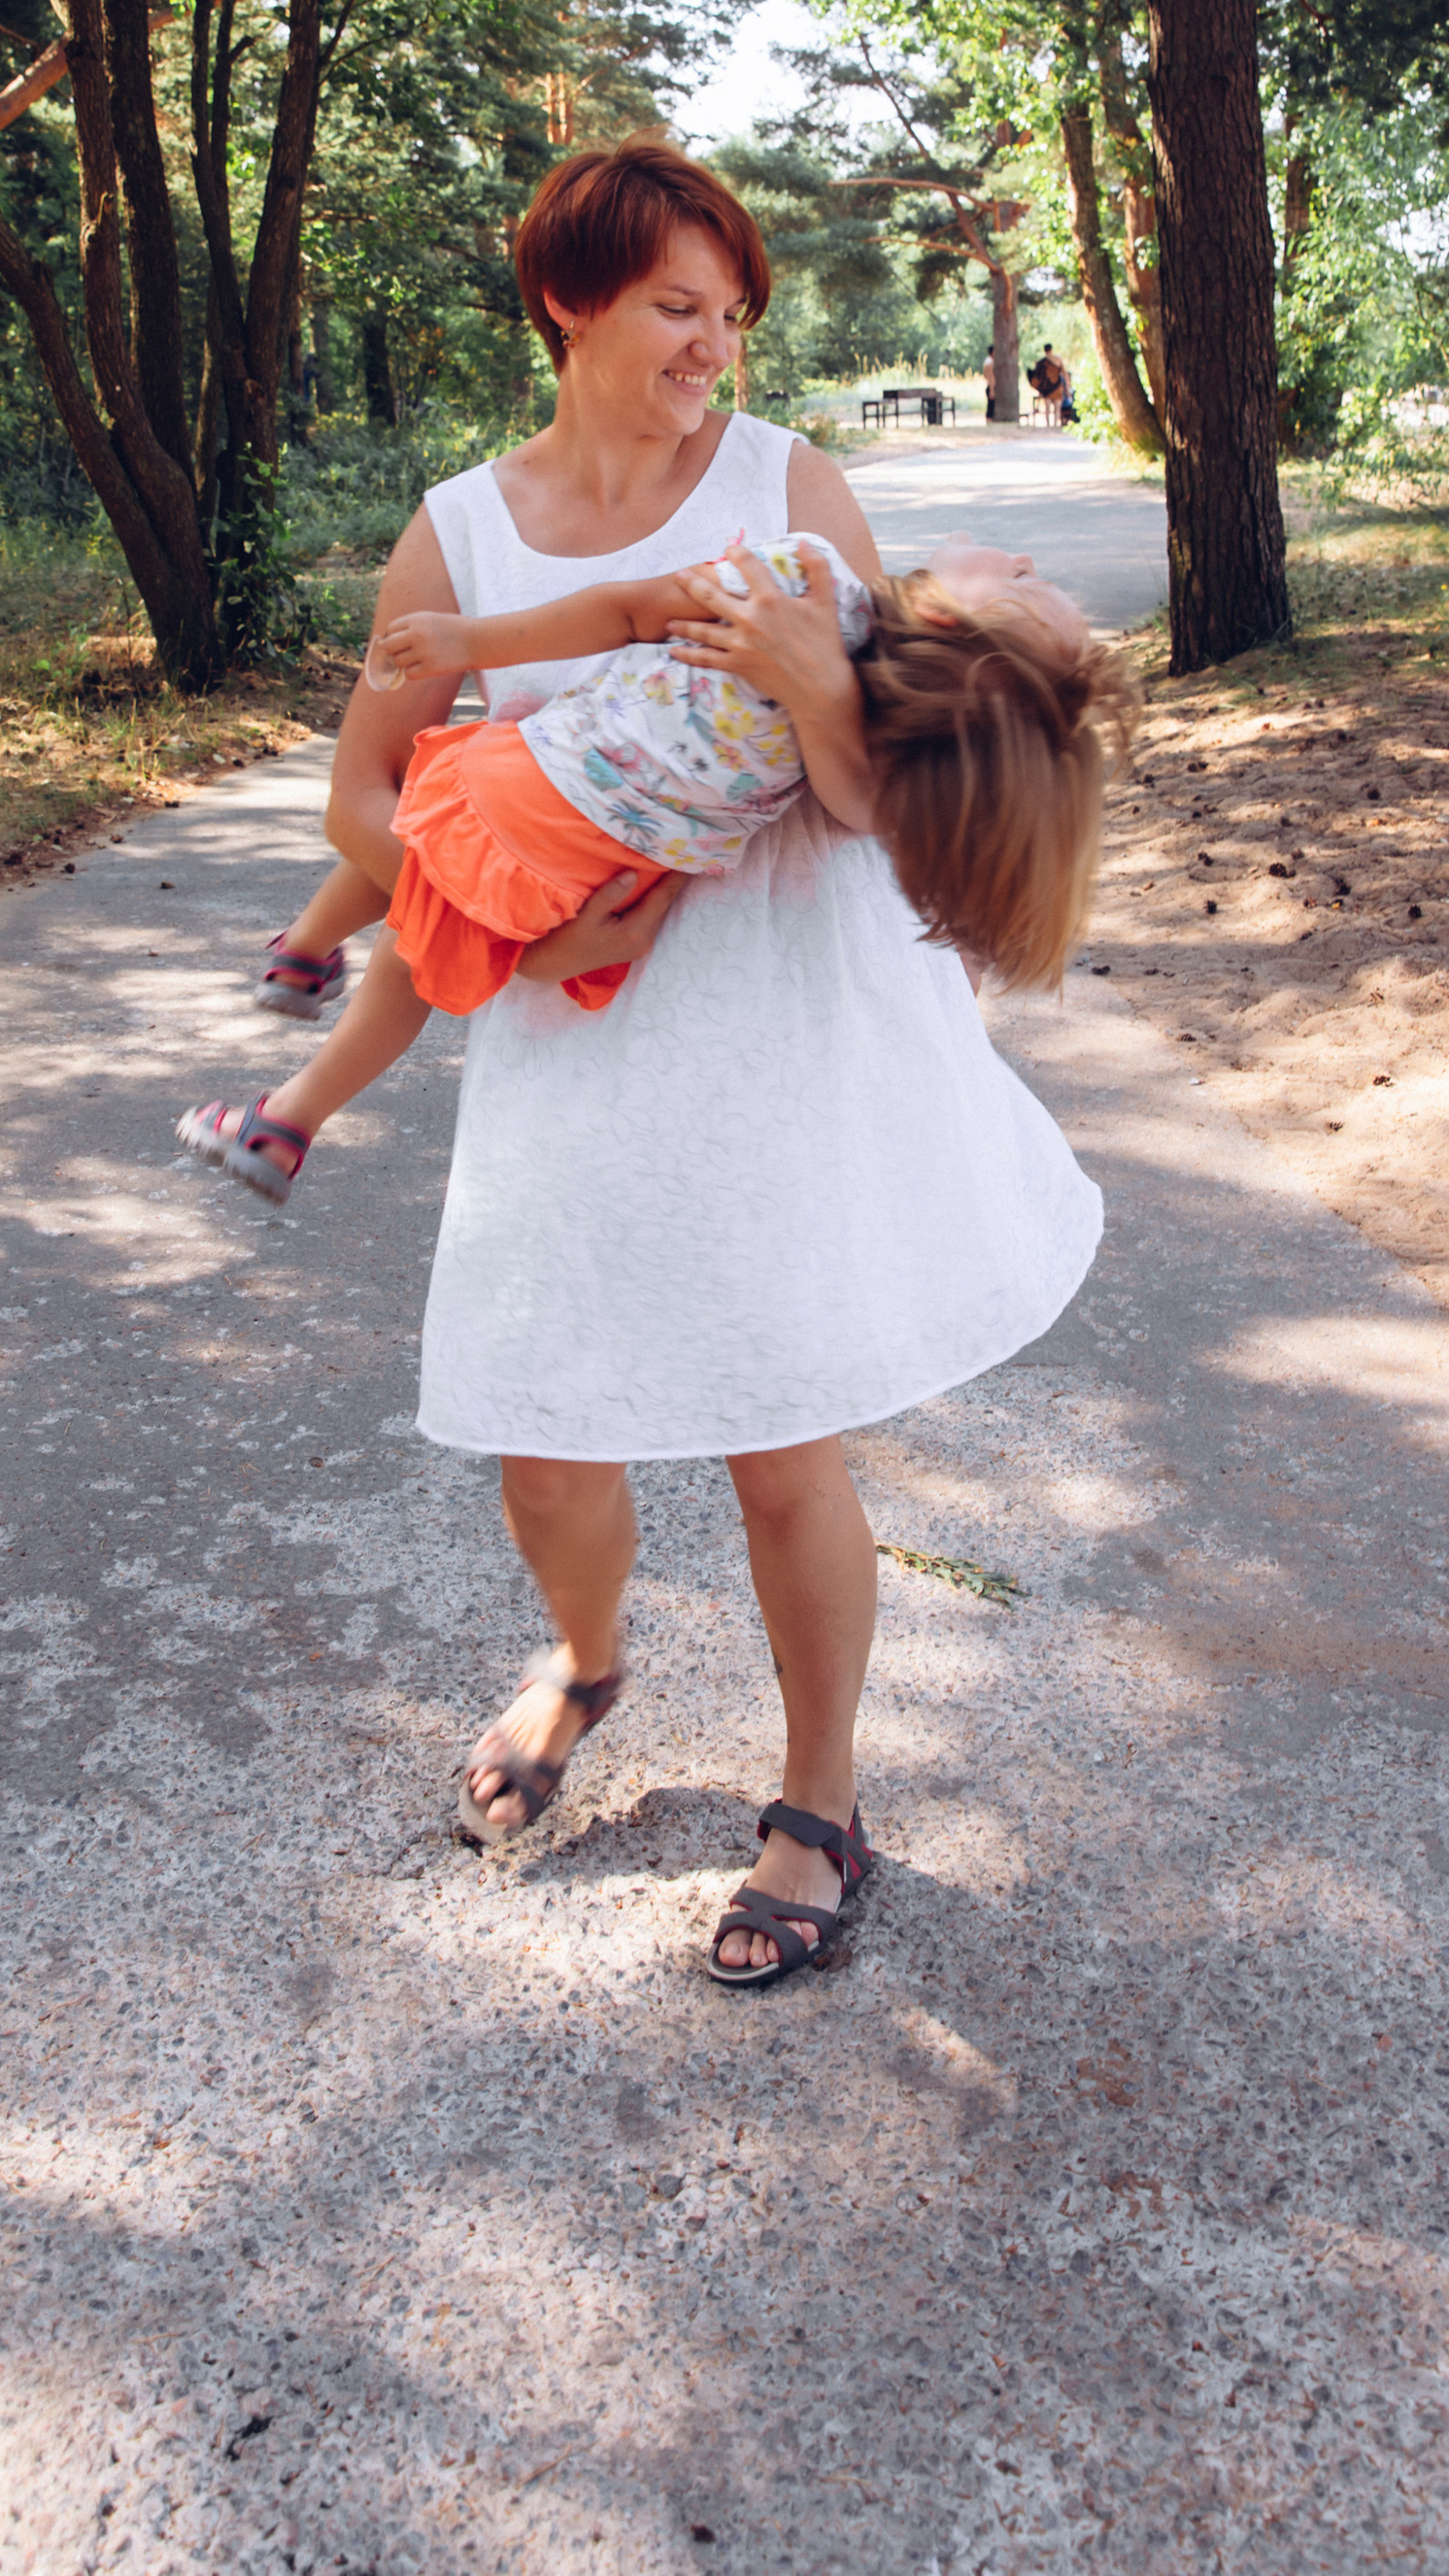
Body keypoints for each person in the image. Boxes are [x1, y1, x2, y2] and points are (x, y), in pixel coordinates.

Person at [241, 138, 1108, 1987]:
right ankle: (586, 1660)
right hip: (567, 1030)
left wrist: (811, 677)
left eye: (732, 314)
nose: (715, 346)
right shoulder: (459, 531)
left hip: (773, 1030)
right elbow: (361, 799)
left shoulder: (790, 488)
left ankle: (821, 1800)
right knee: (547, 1443)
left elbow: (875, 802)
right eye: (677, 308)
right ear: (569, 304)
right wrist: (521, 941)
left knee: (780, 1442)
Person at [176, 527, 1130, 1203]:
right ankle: (292, 1079)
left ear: (956, 624)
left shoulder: (803, 579)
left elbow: (626, 610)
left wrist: (470, 642)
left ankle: (300, 993)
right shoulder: (873, 764)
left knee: (429, 850)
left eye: (1026, 586)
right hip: (586, 872)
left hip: (533, 788)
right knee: (419, 933)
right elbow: (861, 807)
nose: (1025, 560)